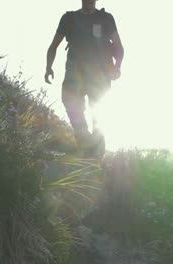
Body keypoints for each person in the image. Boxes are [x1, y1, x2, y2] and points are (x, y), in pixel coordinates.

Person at [45, 0, 124, 159]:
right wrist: (48, 67)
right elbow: (53, 46)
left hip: (99, 75)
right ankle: (85, 143)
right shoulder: (69, 18)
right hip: (75, 73)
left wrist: (117, 67)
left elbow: (119, 47)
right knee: (70, 103)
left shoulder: (106, 19)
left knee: (98, 112)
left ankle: (96, 154)